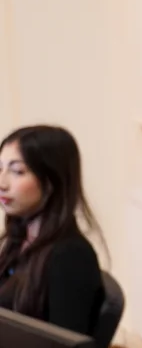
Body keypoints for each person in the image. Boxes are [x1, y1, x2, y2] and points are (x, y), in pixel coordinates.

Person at [0, 125, 104, 335]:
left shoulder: (70, 256)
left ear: (51, 182)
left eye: (18, 171)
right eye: (0, 169)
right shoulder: (20, 239)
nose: (2, 183)